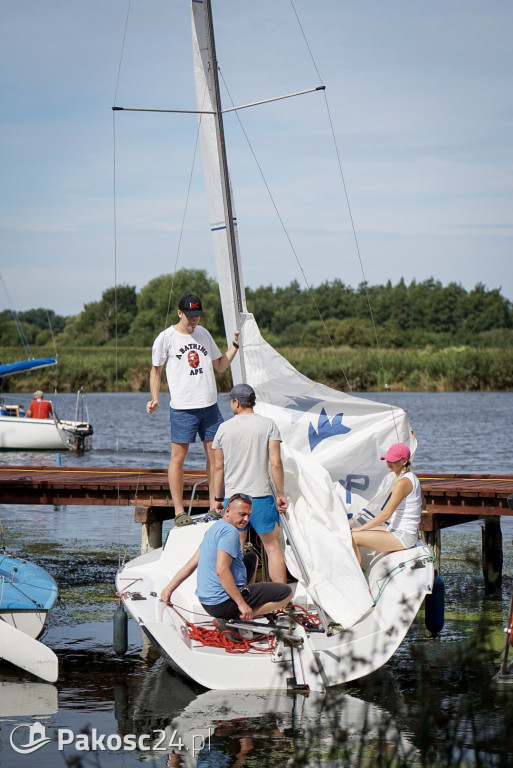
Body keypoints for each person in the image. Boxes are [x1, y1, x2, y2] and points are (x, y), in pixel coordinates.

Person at [146, 294, 240, 523]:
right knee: (179, 458)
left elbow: (220, 365)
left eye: (197, 316)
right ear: (180, 313)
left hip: (209, 406)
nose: (194, 320)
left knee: (216, 457)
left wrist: (236, 345)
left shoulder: (204, 334)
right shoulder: (166, 338)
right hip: (183, 408)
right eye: (190, 316)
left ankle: (214, 507)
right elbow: (156, 370)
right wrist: (154, 398)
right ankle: (179, 511)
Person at [160, 493, 292, 621]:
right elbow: (221, 570)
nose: (246, 519)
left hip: (208, 603)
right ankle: (240, 615)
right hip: (222, 604)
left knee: (251, 558)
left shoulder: (214, 528)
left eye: (249, 515)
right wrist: (241, 604)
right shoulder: (230, 532)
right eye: (242, 514)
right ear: (227, 511)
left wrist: (168, 590)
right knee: (286, 593)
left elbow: (191, 565)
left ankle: (243, 606)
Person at [212, 383, 288, 583]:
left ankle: (239, 596)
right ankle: (279, 599)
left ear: (236, 402)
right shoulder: (268, 425)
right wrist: (280, 494)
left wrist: (219, 498)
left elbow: (218, 469)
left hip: (234, 498)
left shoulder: (223, 429)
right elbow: (276, 463)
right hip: (262, 496)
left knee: (234, 549)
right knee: (272, 548)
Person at [351, 443, 421, 564]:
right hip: (400, 530)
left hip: (403, 536)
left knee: (353, 536)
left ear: (404, 461)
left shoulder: (402, 482)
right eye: (388, 459)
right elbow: (422, 504)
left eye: (393, 460)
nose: (389, 462)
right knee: (353, 530)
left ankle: (356, 578)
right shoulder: (412, 477)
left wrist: (361, 528)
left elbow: (386, 515)